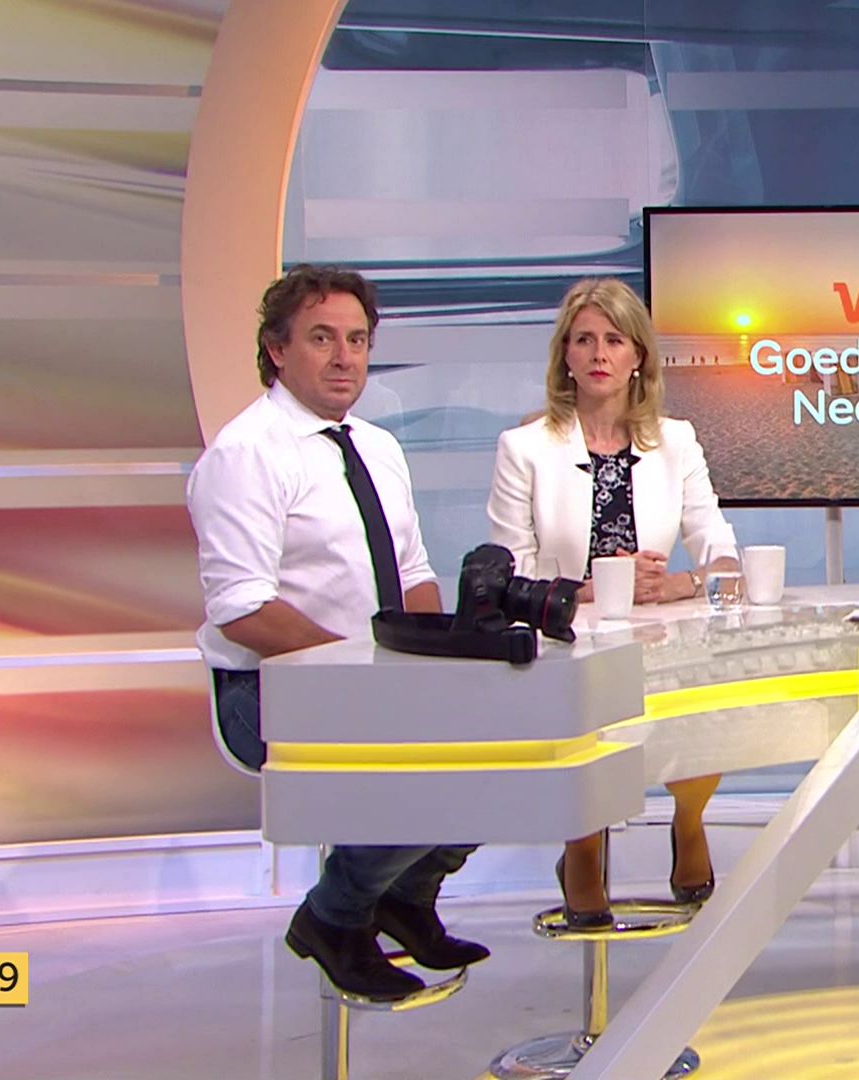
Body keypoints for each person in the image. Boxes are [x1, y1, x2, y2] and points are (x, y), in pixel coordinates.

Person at [188, 265, 489, 1002]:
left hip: (374, 678)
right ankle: (335, 916)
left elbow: (413, 573)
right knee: (425, 770)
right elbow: (243, 608)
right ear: (277, 349)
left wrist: (437, 669)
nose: (344, 357)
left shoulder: (376, 447)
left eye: (357, 340)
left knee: (505, 754)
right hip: (270, 692)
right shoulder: (246, 453)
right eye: (322, 338)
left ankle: (406, 899)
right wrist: (365, 678)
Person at [486, 277, 738, 926]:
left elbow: (723, 557)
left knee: (706, 698)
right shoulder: (525, 448)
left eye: (615, 340)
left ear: (638, 357)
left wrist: (682, 584)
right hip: (568, 638)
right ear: (565, 356)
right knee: (585, 716)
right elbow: (506, 573)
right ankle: (583, 845)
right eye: (584, 340)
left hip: (660, 634)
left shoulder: (676, 441)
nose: (599, 353)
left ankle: (689, 820)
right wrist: (590, 591)